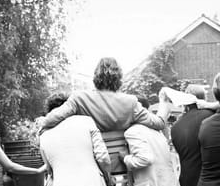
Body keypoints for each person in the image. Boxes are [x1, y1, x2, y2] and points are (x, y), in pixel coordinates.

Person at [37, 57, 166, 133]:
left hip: (93, 161)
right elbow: (159, 123)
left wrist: (43, 120)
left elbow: (52, 119)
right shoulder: (130, 102)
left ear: (96, 76)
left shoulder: (80, 98)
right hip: (123, 162)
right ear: (119, 77)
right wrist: (163, 101)